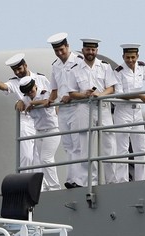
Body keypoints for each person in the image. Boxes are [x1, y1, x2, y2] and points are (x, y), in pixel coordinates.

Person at [0, 54, 53, 189]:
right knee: (26, 156)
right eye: (15, 70)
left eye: (19, 69)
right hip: (26, 121)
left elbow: (50, 96)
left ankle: (41, 187)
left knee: (40, 157)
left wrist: (25, 101)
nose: (18, 72)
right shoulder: (15, 82)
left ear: (25, 65)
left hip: (41, 121)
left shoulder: (41, 78)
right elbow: (6, 87)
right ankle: (26, 185)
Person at [68, 38, 118, 186]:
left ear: (97, 51)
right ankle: (88, 181)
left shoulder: (105, 67)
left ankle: (112, 180)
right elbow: (71, 92)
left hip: (102, 107)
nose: (90, 52)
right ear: (83, 50)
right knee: (86, 146)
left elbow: (111, 88)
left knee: (109, 144)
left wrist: (100, 95)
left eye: (93, 50)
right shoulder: (75, 69)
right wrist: (84, 94)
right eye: (88, 50)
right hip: (84, 107)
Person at [113, 44, 145, 182]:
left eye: (133, 57)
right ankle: (121, 180)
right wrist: (140, 96)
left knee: (140, 147)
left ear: (137, 56)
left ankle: (140, 179)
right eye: (127, 57)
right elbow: (119, 95)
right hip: (123, 111)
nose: (130, 60)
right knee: (122, 148)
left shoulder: (141, 67)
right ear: (123, 57)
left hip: (137, 111)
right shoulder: (118, 71)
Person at [46, 32, 82, 189]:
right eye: (57, 51)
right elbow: (54, 90)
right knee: (68, 145)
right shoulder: (55, 65)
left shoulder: (79, 61)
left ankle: (78, 179)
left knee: (78, 144)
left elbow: (84, 86)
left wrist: (72, 97)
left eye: (62, 50)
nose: (60, 53)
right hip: (63, 109)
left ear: (68, 47)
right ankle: (71, 179)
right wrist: (49, 100)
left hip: (77, 107)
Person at [18, 76, 60, 190]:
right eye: (28, 93)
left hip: (51, 130)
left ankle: (54, 187)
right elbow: (20, 105)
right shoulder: (26, 98)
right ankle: (44, 187)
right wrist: (20, 103)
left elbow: (47, 101)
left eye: (32, 91)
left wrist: (33, 103)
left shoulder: (44, 92)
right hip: (39, 132)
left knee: (46, 159)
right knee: (39, 162)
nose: (31, 94)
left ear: (35, 86)